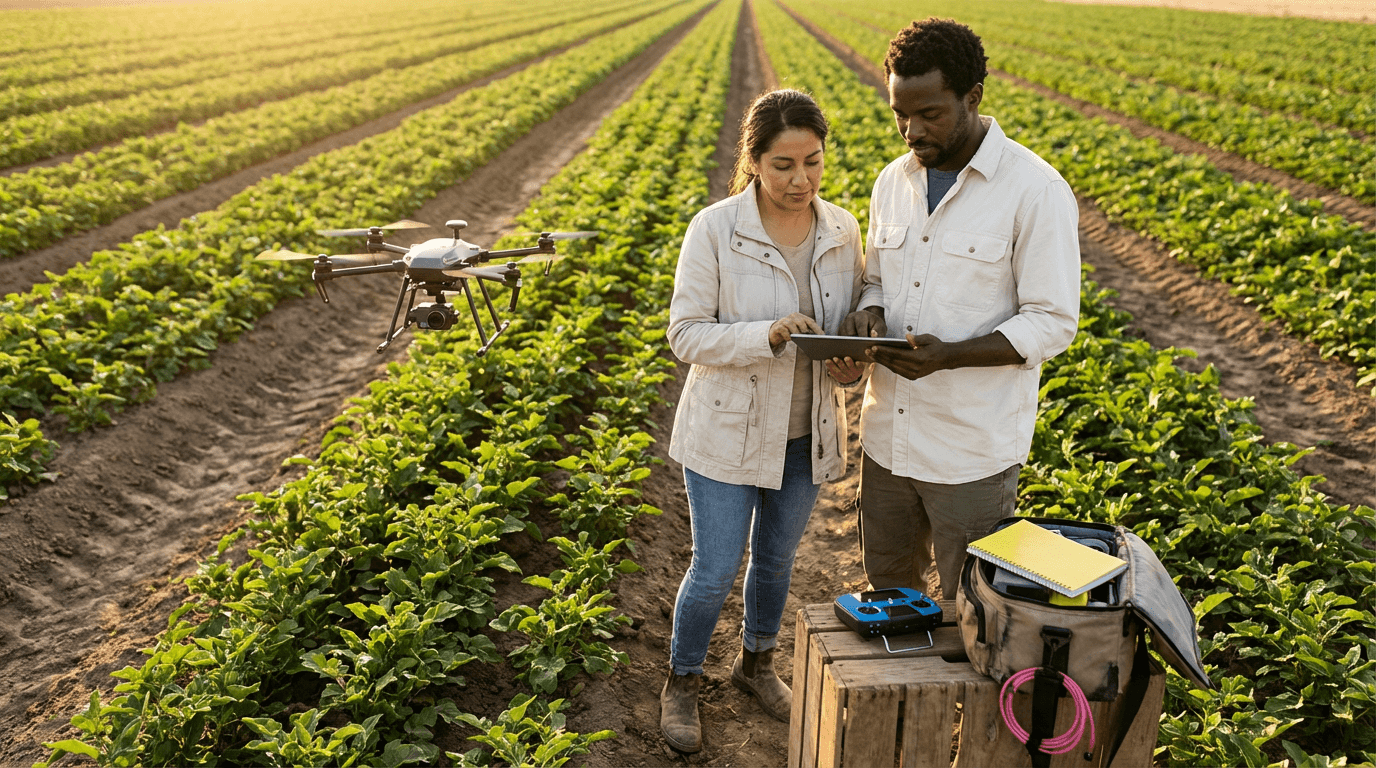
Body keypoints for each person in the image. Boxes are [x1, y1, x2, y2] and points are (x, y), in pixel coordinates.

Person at [839, 18, 1080, 601]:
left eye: (930, 114)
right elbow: (876, 280)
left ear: (973, 97)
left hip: (970, 452)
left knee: (974, 609)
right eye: (900, 112)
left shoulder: (1035, 190)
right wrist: (869, 314)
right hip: (887, 441)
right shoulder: (892, 182)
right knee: (890, 598)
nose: (910, 130)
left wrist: (952, 357)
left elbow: (1053, 321)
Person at [661, 89, 867, 753]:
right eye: (783, 165)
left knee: (776, 563)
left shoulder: (841, 230)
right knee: (715, 568)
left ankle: (755, 665)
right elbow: (686, 335)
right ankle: (683, 680)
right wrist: (767, 334)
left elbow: (848, 328)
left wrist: (849, 363)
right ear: (753, 160)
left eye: (812, 161)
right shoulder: (716, 228)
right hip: (726, 428)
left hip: (806, 430)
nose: (800, 179)